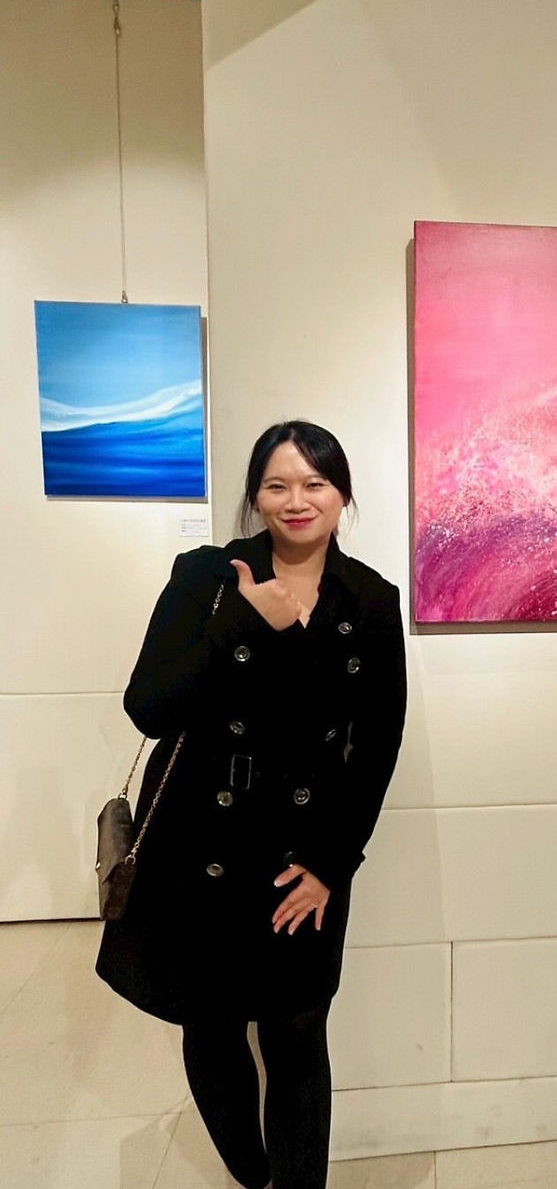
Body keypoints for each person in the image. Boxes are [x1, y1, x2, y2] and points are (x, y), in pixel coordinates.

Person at [96, 420, 407, 1189]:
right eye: (277, 483)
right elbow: (147, 704)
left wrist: (331, 865)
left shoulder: (369, 599)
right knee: (211, 1022)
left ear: (343, 495)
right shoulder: (204, 577)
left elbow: (376, 748)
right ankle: (255, 1175)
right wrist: (240, 623)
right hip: (198, 840)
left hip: (300, 854)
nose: (296, 500)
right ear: (254, 494)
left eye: (315, 483)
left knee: (299, 1027)